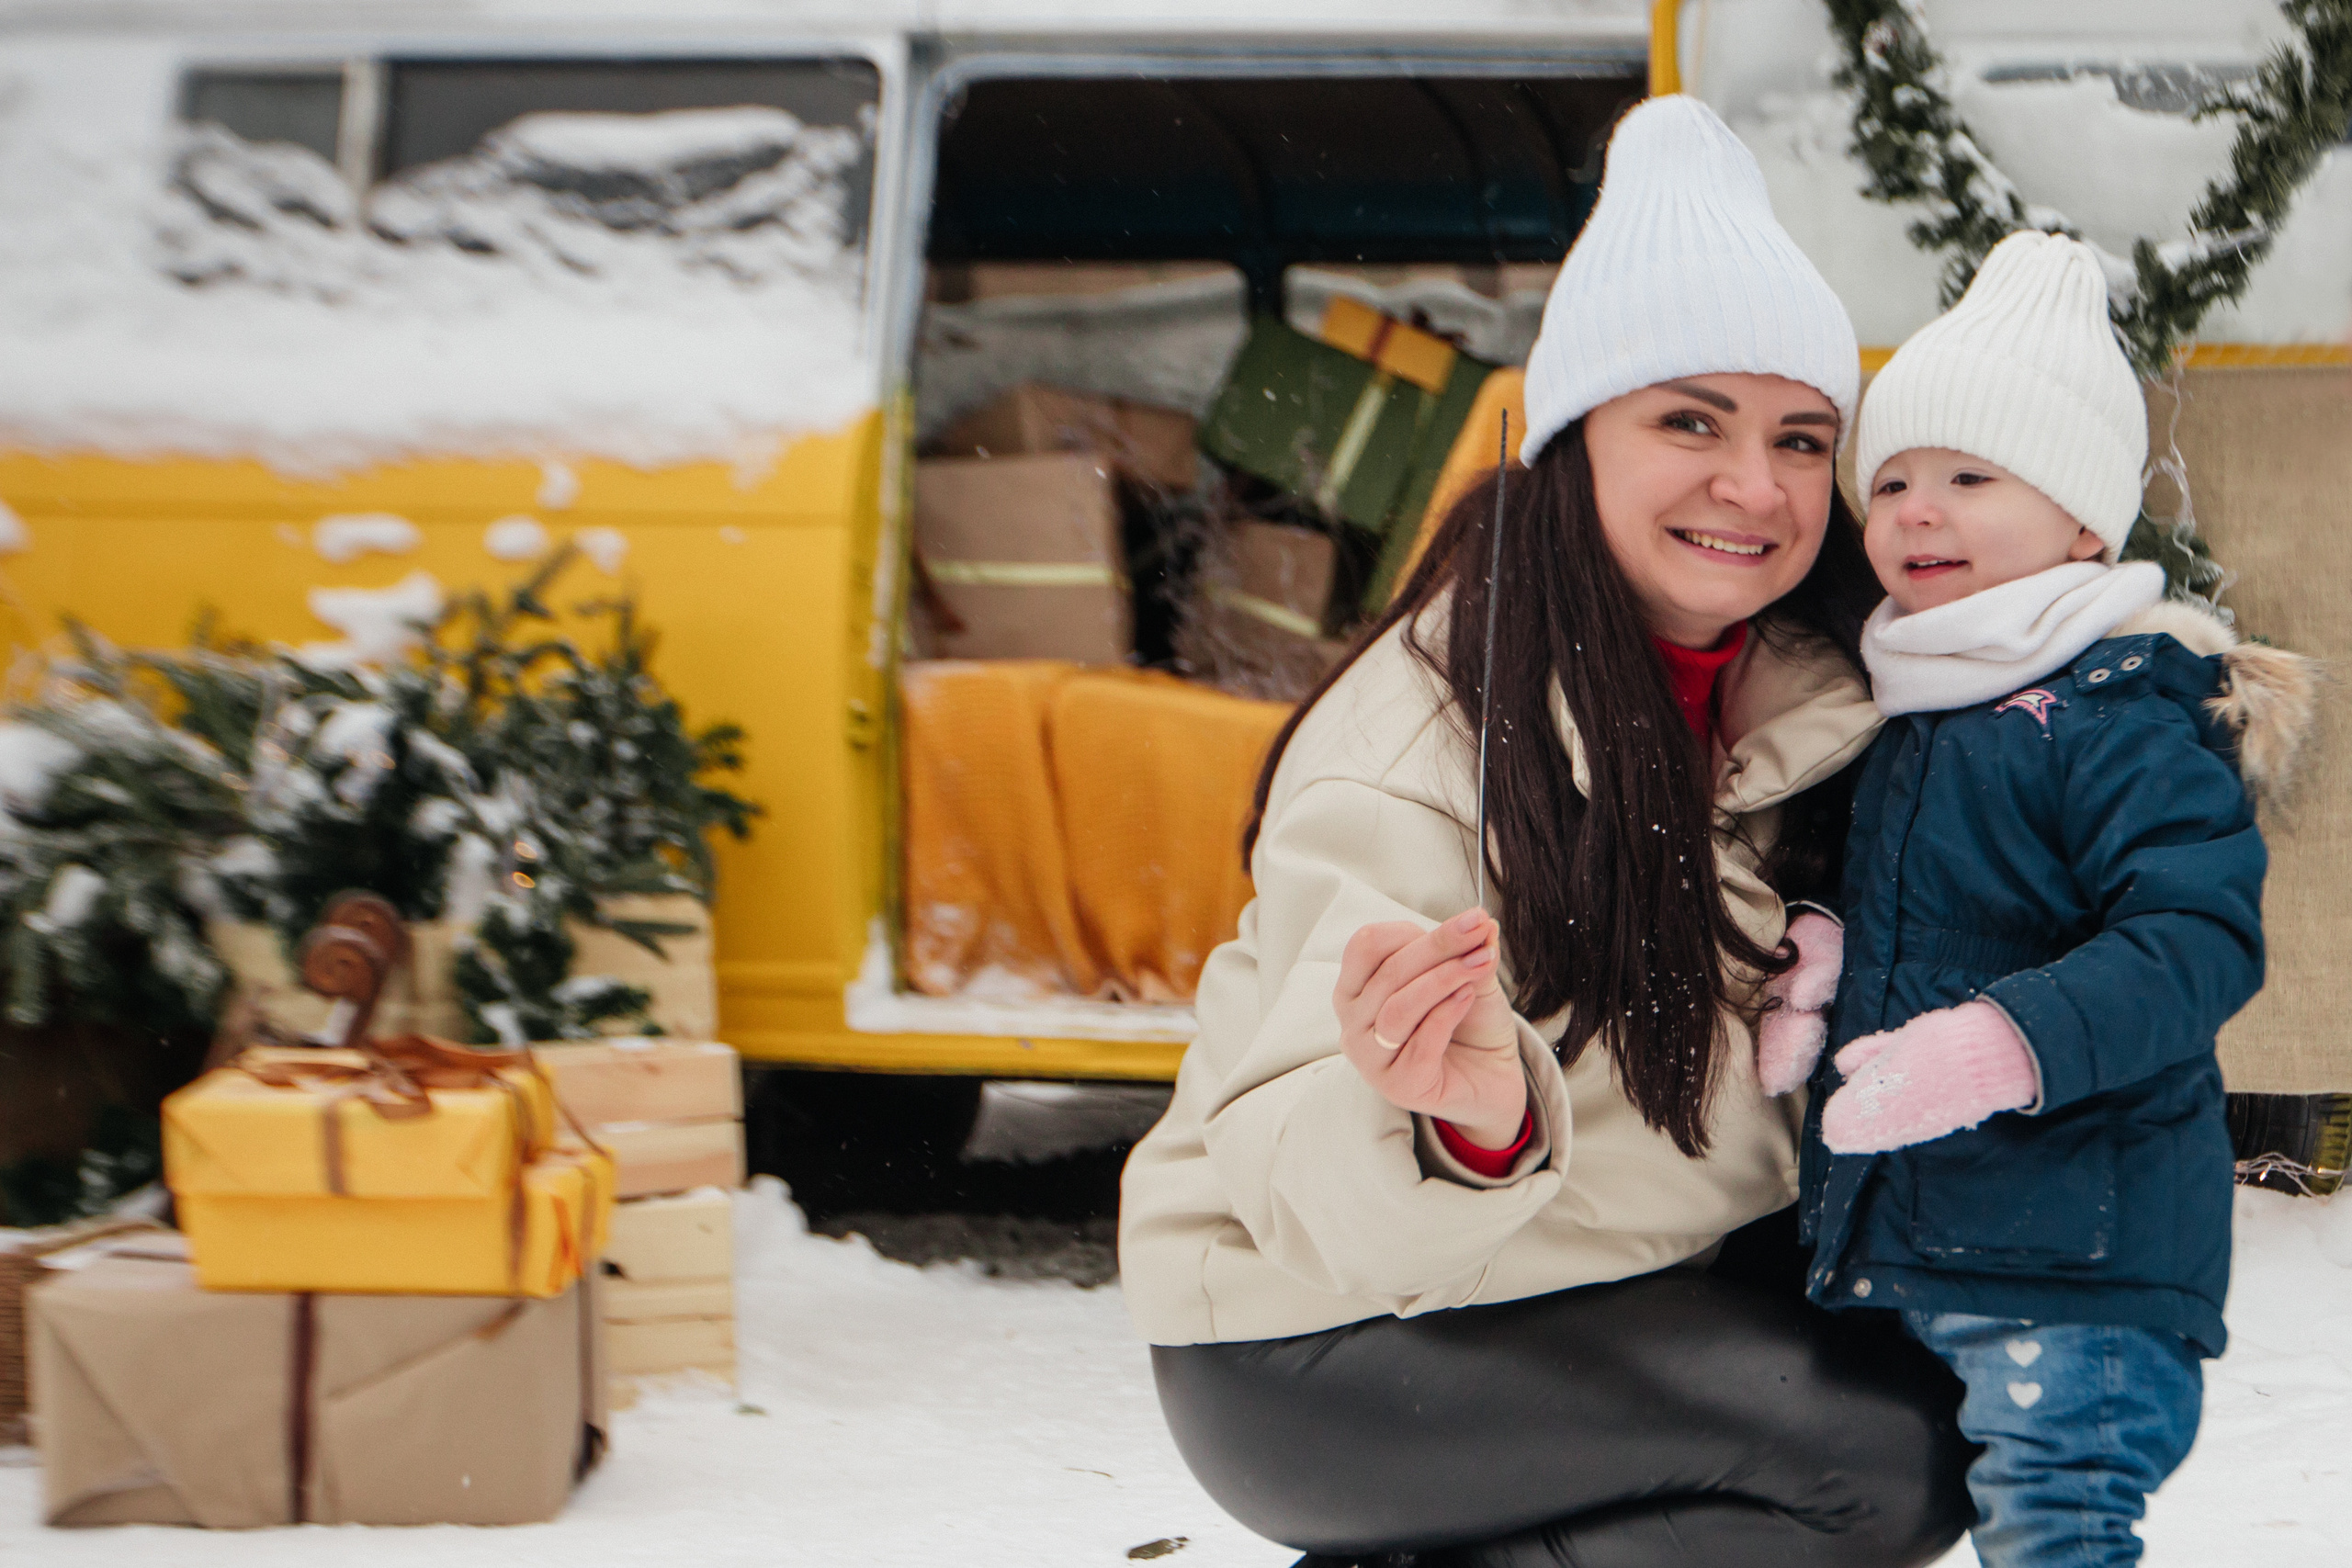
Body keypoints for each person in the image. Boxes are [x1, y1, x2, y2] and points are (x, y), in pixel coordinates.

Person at [1118, 96, 1974, 1568]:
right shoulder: (1418, 747)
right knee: (1877, 1462)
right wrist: (1459, 1112)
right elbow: (1291, 1162)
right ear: (1576, 434)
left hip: (1593, 1281)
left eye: (1797, 438)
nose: (1754, 487)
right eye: (1688, 422)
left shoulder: (1806, 696)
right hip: (1317, 1340)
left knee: (1948, 1391)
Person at [1759, 230, 2316, 1568]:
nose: (1916, 510)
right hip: (1946, 1243)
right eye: (1889, 480)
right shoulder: (1921, 704)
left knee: (2056, 1532)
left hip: (2080, 1271)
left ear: (2081, 521)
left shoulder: (2117, 712)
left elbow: (2193, 942)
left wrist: (2003, 1044)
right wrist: (1825, 959)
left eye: (1968, 475)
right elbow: (1937, 911)